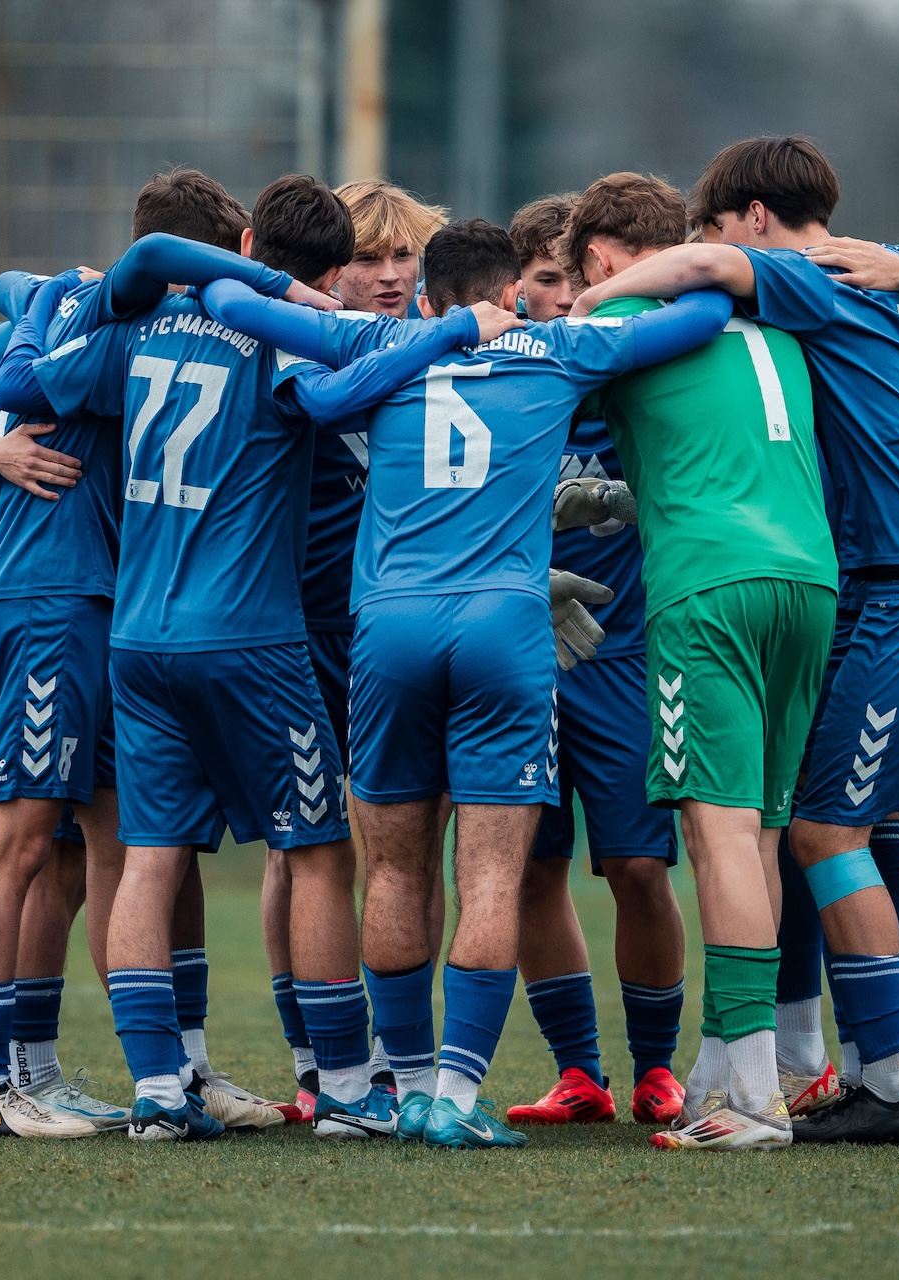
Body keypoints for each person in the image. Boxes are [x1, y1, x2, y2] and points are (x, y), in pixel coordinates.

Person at [0, 171, 521, 1143]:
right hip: (252, 641)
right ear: (296, 268)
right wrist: (445, 335)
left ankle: (159, 1087)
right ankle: (350, 1089)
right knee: (320, 851)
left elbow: (18, 381)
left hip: (139, 640)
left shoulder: (134, 329)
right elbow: (344, 391)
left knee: (149, 858)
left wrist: (41, 309)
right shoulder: (278, 338)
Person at [202, 216, 732, 1149]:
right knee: (491, 873)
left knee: (396, 867)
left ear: (430, 294)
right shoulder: (557, 346)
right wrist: (603, 298)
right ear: (512, 293)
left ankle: (403, 1086)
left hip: (389, 629)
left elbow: (229, 299)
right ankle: (453, 1094)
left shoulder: (380, 339)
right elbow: (702, 315)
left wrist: (317, 303)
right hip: (503, 629)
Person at [571, 135, 899, 1147]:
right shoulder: (891, 263)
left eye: (718, 222)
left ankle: (889, 1084)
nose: (711, 241)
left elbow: (701, 269)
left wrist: (585, 304)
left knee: (820, 830)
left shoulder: (798, 274)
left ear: (755, 217)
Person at [544, 172, 837, 1151]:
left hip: (708, 589)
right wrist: (619, 500)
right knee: (757, 835)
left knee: (715, 837)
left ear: (597, 260)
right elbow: (713, 451)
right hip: (808, 582)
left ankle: (752, 1095)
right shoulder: (776, 321)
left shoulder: (622, 327)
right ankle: (725, 1061)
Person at [261, 179, 453, 1119]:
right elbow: (325, 409)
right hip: (306, 622)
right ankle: (315, 1055)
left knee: (416, 842)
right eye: (367, 258)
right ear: (331, 268)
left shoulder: (446, 344)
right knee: (301, 846)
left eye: (403, 256)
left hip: (411, 626)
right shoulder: (298, 337)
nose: (386, 275)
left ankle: (400, 1056)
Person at [499, 194, 688, 1131]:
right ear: (516, 289)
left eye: (579, 279)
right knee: (527, 868)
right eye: (546, 280)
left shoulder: (648, 374)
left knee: (638, 869)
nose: (567, 297)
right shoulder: (496, 382)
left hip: (623, 656)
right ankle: (579, 1073)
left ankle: (657, 1069)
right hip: (519, 659)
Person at [0, 283, 125, 1140]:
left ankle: (33, 1073)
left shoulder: (99, 338)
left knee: (68, 858)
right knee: (15, 838)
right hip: (45, 609)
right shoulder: (98, 334)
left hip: (89, 609)